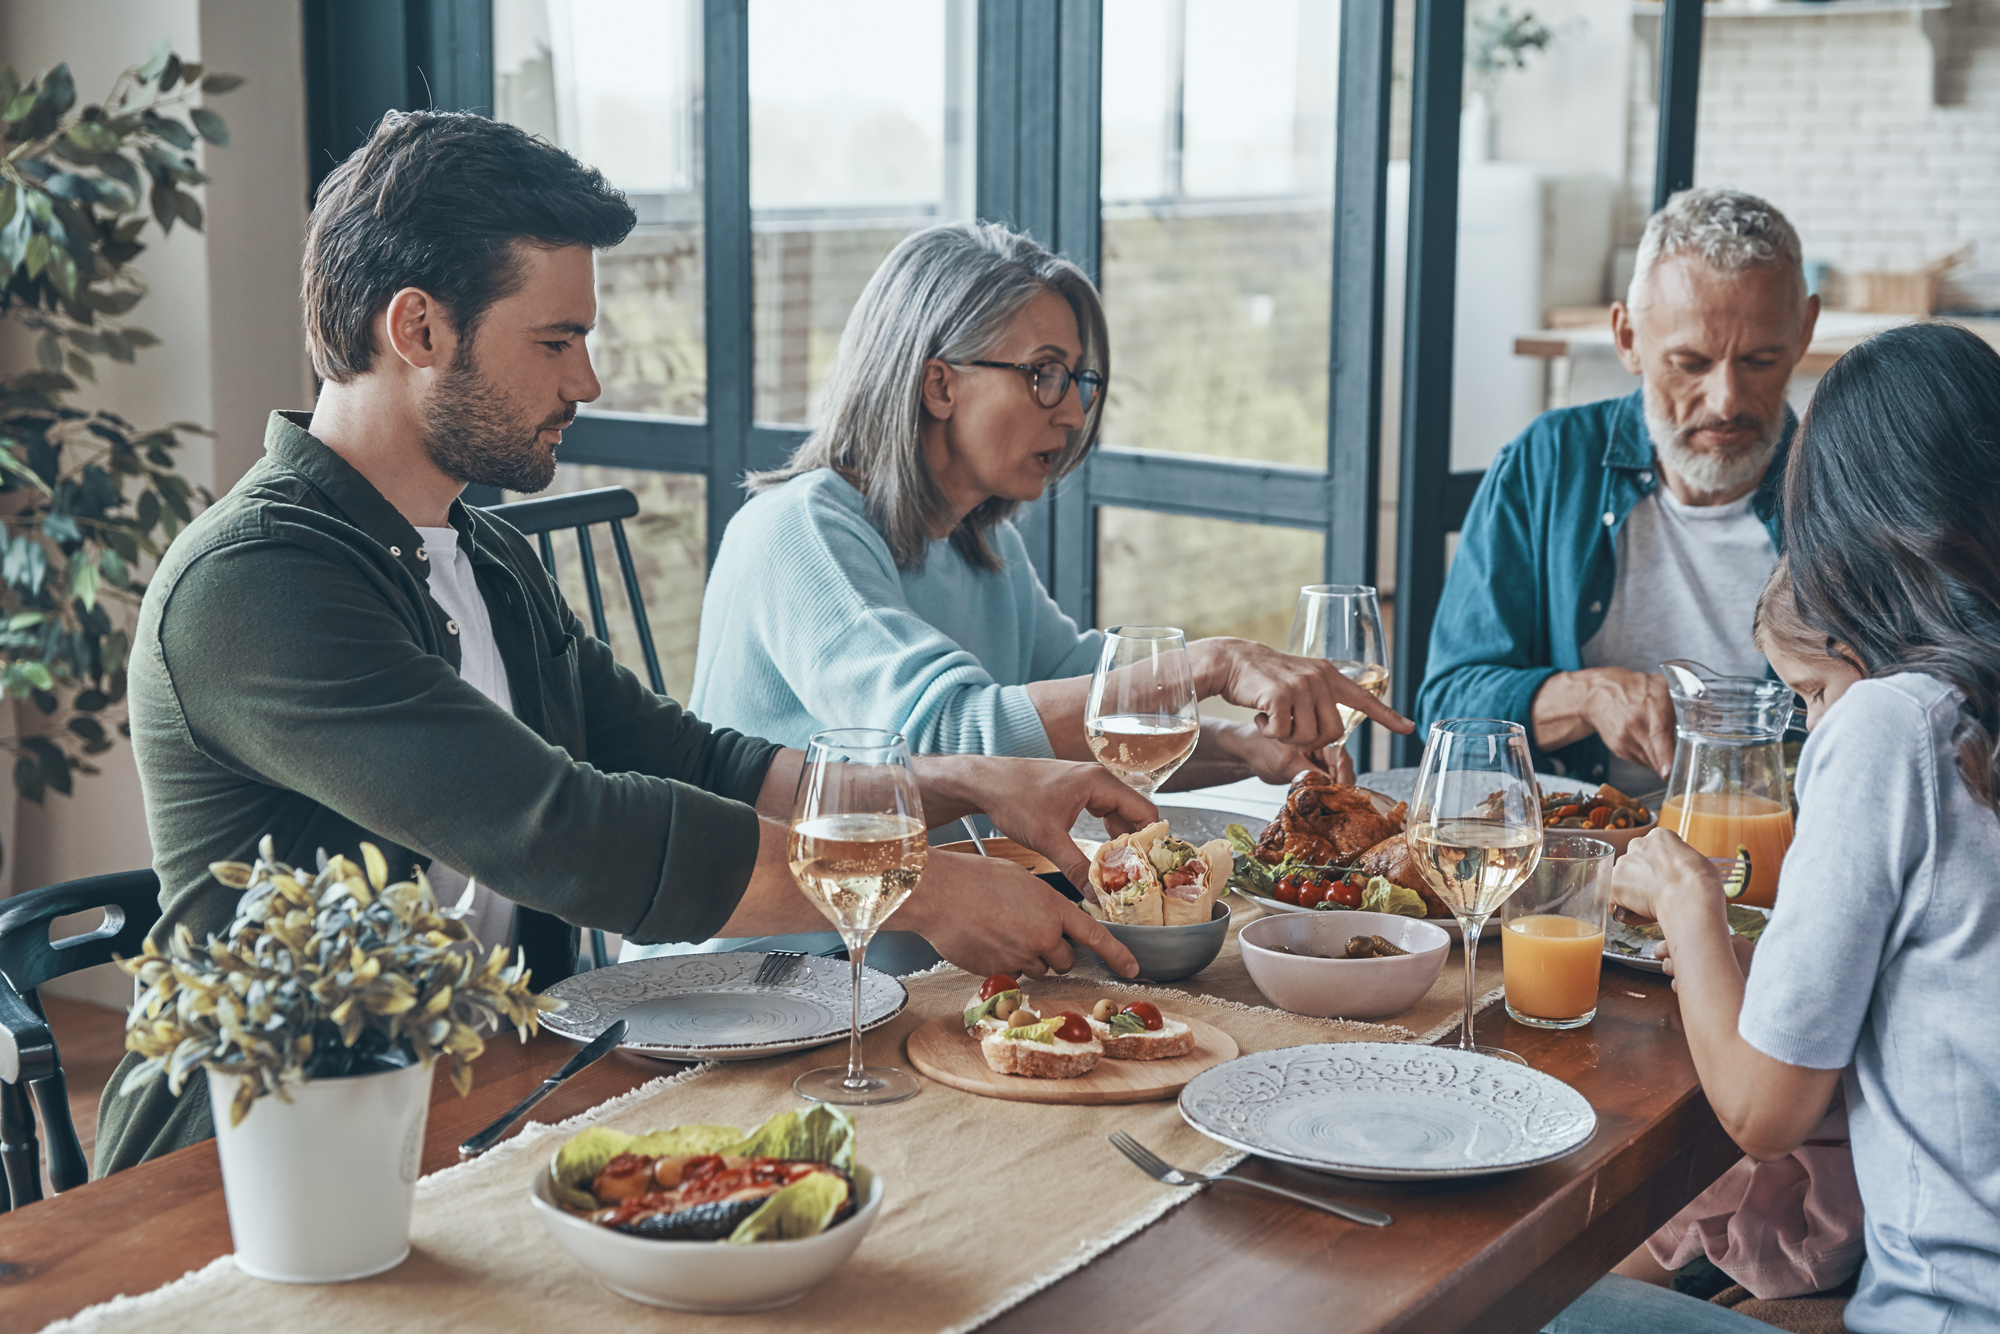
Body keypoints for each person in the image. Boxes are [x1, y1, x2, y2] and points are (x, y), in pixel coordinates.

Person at [94, 112, 1151, 1176]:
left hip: (494, 1097)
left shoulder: (485, 555)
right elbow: (560, 827)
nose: (587, 381)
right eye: (555, 340)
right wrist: (912, 883)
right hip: (263, 1152)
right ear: (416, 330)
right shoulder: (255, 581)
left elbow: (698, 760)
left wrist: (971, 781)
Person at [1544, 320, 2000, 1332]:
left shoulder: (1893, 724)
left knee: (1513, 1309)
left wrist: (1684, 898)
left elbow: (1759, 1111)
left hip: (1941, 1312)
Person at [683, 221, 1411, 784]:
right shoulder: (799, 532)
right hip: (778, 963)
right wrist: (1212, 664)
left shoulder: (977, 547)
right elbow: (945, 736)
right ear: (939, 385)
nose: (1071, 415)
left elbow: (1087, 710)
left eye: (1079, 381)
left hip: (924, 950)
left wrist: (1244, 748)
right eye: (1044, 375)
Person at [1420, 188, 1820, 795]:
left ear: (1804, 332)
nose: (1727, 401)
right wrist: (1585, 696)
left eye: (1761, 361)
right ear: (1628, 338)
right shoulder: (1547, 463)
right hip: (1571, 856)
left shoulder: (1845, 494)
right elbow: (1446, 706)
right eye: (1690, 362)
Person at [1609, 557, 1865, 1304]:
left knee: (1533, 1299)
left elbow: (1763, 1122)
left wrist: (1691, 900)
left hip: (1835, 1217)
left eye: (1815, 693)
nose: (1814, 729)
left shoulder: (1875, 776)